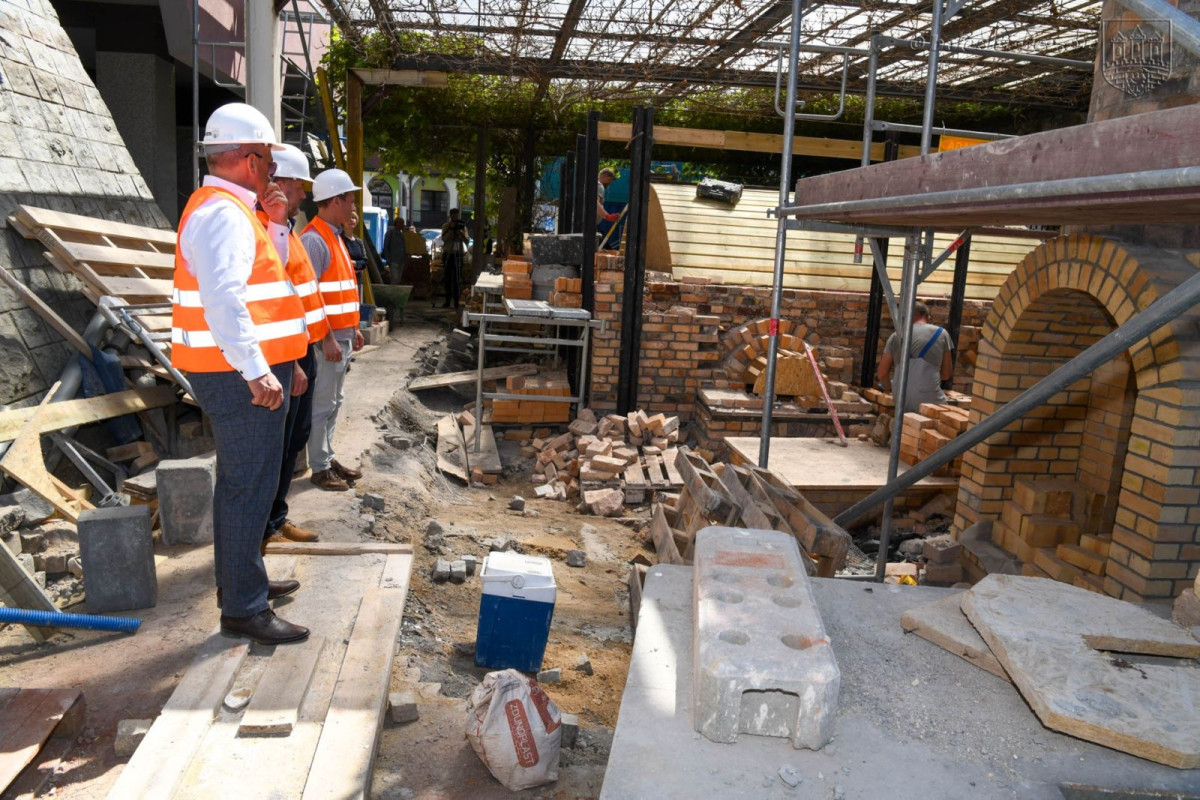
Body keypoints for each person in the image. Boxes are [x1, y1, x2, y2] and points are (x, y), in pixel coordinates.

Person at [172, 102, 309, 645]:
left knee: (246, 482)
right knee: (248, 486)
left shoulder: (236, 212)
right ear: (251, 159)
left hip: (239, 366)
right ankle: (243, 607)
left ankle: (242, 584)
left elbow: (264, 295)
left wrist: (284, 361)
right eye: (271, 161)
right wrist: (257, 371)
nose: (273, 172)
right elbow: (225, 301)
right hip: (232, 370)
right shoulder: (224, 214)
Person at [256, 144, 337, 548]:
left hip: (300, 349)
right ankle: (266, 527)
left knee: (295, 437)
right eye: (300, 186)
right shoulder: (266, 232)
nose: (305, 194)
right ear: (280, 183)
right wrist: (294, 362)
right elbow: (272, 303)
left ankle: (275, 517)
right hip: (285, 354)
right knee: (278, 445)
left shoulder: (285, 231)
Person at [301, 169, 366, 492]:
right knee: (323, 403)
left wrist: (353, 328)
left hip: (341, 337)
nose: (353, 205)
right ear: (335, 201)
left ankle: (327, 457)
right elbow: (309, 296)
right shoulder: (314, 240)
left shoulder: (334, 236)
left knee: (334, 402)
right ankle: (319, 467)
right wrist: (326, 337)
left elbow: (341, 290)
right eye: (350, 199)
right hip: (327, 341)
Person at [876, 301, 954, 414]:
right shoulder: (942, 334)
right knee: (942, 423)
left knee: (904, 428)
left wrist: (889, 389)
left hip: (901, 397)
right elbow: (946, 374)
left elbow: (882, 373)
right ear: (927, 316)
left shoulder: (895, 336)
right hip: (928, 398)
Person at [439, 207, 469, 309]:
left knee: (457, 278)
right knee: (448, 278)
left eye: (457, 215)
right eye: (454, 215)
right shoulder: (446, 226)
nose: (456, 217)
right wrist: (451, 229)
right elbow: (444, 239)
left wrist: (460, 232)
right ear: (450, 215)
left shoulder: (462, 226)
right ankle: (447, 300)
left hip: (458, 254)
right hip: (448, 253)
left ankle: (457, 301)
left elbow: (466, 240)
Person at [383, 214, 408, 284]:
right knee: (395, 278)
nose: (403, 225)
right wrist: (388, 259)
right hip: (393, 261)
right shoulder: (390, 234)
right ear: (397, 224)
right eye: (402, 223)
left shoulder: (401, 235)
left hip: (401, 261)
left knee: (398, 279)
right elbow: (386, 247)